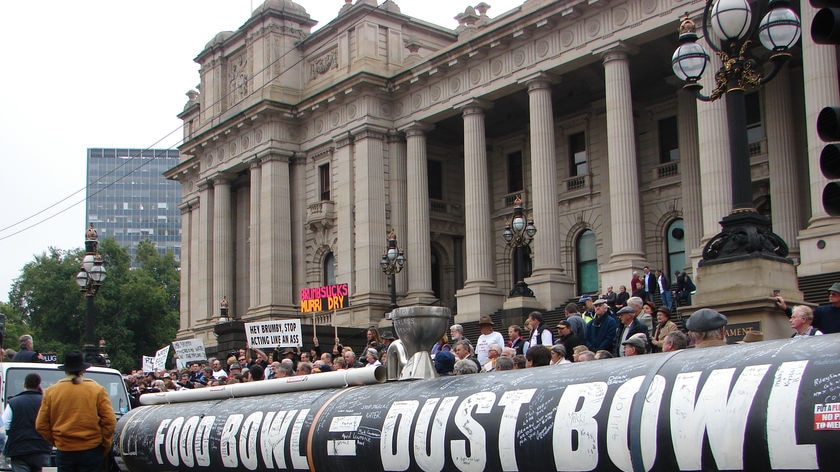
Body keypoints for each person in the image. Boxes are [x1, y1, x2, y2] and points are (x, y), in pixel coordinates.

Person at [35, 352, 116, 472]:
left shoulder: (52, 392)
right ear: (83, 371)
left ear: (65, 371)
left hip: (65, 449)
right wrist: (104, 443)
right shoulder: (97, 390)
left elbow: (40, 425)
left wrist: (57, 441)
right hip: (91, 448)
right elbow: (110, 421)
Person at [3, 373, 51, 472]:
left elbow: (5, 424)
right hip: (40, 448)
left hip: (18, 448)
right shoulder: (45, 402)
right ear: (39, 385)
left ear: (24, 385)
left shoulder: (14, 402)